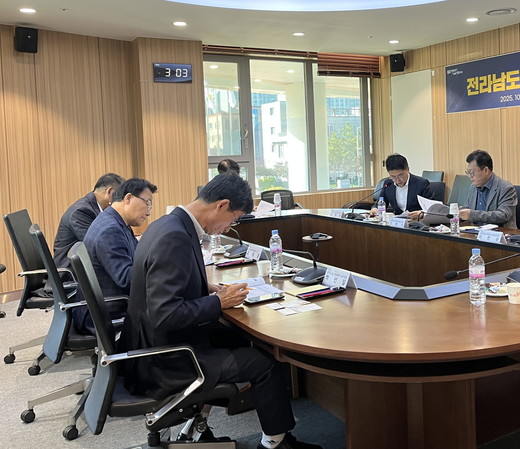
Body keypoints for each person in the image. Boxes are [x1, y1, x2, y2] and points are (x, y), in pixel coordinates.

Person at [119, 173, 320, 449]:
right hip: (166, 359)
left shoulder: (167, 224)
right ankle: (276, 443)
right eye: (233, 219)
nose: (228, 228)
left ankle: (208, 424)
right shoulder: (175, 237)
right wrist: (219, 302)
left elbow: (160, 288)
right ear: (222, 205)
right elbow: (165, 315)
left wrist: (205, 287)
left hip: (152, 344)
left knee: (243, 340)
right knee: (266, 363)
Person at [77, 178, 157, 334]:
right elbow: (127, 280)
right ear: (128, 198)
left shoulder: (115, 221)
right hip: (107, 313)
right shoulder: (110, 230)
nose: (148, 212)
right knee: (174, 316)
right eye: (147, 204)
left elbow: (137, 255)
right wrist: (162, 271)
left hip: (109, 304)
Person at [53, 173, 125, 269]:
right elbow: (98, 245)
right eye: (120, 197)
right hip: (71, 272)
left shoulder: (94, 208)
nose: (121, 202)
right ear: (110, 191)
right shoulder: (81, 212)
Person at [458, 149, 518, 229]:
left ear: (486, 170)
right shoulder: (473, 187)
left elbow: (503, 215)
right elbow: (467, 208)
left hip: (500, 233)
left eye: (472, 172)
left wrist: (473, 215)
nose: (470, 176)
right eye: (468, 173)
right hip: (475, 232)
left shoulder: (506, 188)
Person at [371, 153, 434, 220]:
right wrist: (375, 209)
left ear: (408, 170)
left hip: (417, 222)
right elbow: (380, 203)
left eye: (400, 175)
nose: (397, 180)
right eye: (393, 177)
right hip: (397, 222)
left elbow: (432, 209)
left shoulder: (421, 183)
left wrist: (421, 214)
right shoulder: (388, 183)